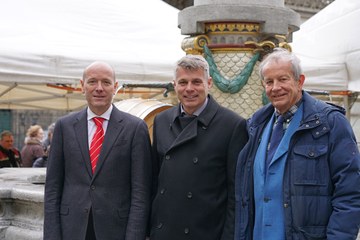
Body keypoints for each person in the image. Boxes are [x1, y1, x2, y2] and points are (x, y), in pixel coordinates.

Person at [234, 48, 360, 240]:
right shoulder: (255, 126)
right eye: (269, 82)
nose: (276, 87)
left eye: (283, 79)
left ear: (299, 81)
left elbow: (350, 193)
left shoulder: (331, 123)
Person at [44, 61, 152, 240]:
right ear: (82, 86)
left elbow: (141, 192)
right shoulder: (64, 127)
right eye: (92, 81)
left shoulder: (135, 128)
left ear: (115, 87)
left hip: (116, 230)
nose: (99, 88)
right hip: (72, 229)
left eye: (106, 82)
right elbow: (53, 188)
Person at [150, 55, 248, 240]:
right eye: (183, 82)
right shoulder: (161, 120)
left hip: (205, 232)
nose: (189, 89)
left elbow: (236, 195)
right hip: (165, 231)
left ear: (209, 83)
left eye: (196, 82)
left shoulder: (233, 125)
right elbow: (155, 182)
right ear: (174, 84)